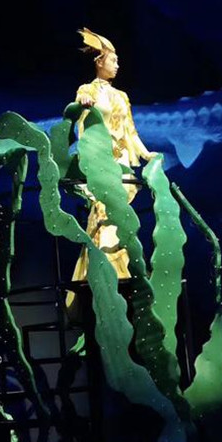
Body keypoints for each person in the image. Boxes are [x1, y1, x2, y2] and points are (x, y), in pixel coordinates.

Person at [66, 28, 158, 312]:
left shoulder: (121, 96)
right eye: (113, 59)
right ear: (99, 61)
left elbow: (130, 130)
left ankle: (115, 271)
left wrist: (146, 154)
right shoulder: (87, 90)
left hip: (121, 165)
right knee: (103, 215)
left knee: (115, 216)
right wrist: (84, 104)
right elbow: (78, 113)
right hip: (100, 162)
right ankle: (108, 273)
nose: (117, 64)